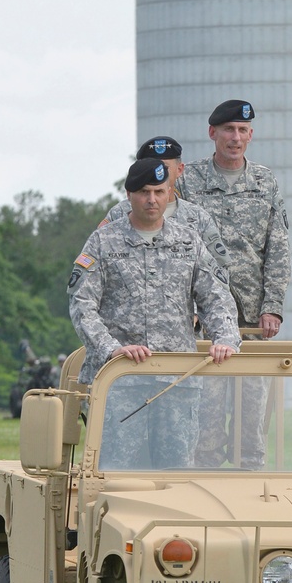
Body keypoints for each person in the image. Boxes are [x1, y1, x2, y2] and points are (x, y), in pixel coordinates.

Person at [68, 158, 240, 468]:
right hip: (120, 381)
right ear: (129, 194)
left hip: (176, 382)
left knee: (175, 474)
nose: (152, 200)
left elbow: (216, 297)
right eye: (144, 192)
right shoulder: (103, 243)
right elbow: (82, 305)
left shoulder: (188, 242)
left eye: (160, 192)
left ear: (169, 192)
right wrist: (112, 349)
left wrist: (225, 338)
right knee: (115, 471)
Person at [177, 101, 290, 468]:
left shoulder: (265, 181)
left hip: (252, 318)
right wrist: (187, 308)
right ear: (213, 133)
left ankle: (252, 490)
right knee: (205, 420)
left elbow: (277, 246)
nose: (235, 138)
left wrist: (272, 306)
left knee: (251, 421)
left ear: (251, 135)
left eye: (243, 130)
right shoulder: (186, 180)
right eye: (228, 130)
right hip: (202, 318)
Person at [100, 136, 230, 268]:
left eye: (163, 168)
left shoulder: (198, 217)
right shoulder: (119, 213)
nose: (155, 174)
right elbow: (97, 260)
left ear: (179, 170)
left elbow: (220, 267)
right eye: (149, 168)